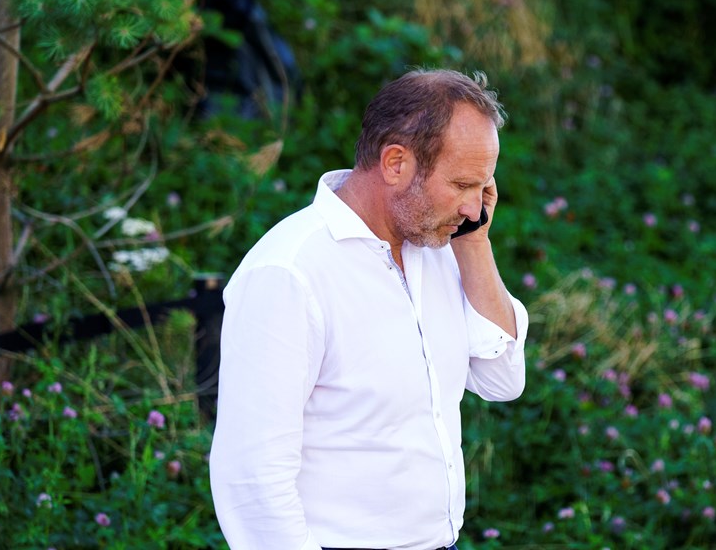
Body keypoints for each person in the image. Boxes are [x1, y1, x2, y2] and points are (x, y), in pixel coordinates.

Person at [209, 69, 528, 550]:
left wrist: (475, 245)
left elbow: (502, 380)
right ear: (396, 163)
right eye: (462, 184)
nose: (474, 209)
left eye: (482, 187)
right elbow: (251, 477)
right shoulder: (290, 272)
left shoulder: (441, 247)